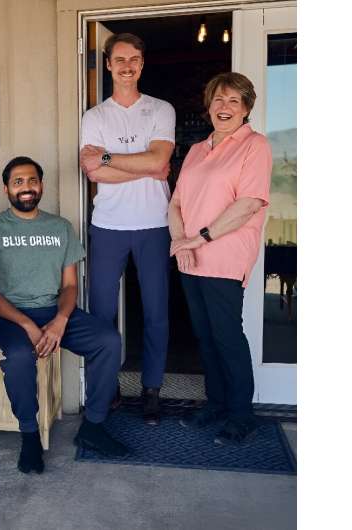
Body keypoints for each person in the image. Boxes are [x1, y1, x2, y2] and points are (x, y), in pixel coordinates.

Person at [0, 156, 126, 474]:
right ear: (6, 189)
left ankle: (93, 426)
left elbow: (69, 286)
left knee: (108, 341)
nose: (26, 188)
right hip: (9, 316)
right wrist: (27, 324)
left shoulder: (60, 227)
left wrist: (60, 320)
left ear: (40, 186)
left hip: (55, 312)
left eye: (32, 181)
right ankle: (29, 434)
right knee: (19, 355)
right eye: (18, 182)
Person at [168, 72, 272, 445]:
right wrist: (181, 242)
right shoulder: (197, 150)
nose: (224, 108)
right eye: (218, 100)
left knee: (227, 335)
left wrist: (201, 238)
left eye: (233, 101)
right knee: (204, 335)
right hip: (191, 256)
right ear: (209, 105)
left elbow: (248, 204)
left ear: (245, 109)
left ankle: (242, 414)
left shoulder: (255, 146)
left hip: (224, 255)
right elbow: (177, 202)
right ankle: (216, 403)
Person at [79, 33, 175, 425]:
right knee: (102, 313)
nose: (126, 66)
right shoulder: (94, 116)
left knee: (156, 312)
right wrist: (144, 166)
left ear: (142, 63)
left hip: (154, 223)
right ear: (107, 64)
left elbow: (160, 159)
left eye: (134, 59)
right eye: (119, 59)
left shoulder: (160, 109)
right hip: (108, 225)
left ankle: (152, 390)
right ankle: (107, 387)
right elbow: (92, 171)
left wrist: (108, 158)